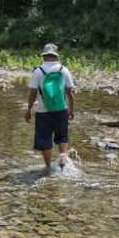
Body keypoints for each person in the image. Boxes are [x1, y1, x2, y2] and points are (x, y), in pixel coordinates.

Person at [25, 43, 75, 171]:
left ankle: (48, 167)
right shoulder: (63, 70)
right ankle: (63, 157)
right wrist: (71, 110)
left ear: (44, 56)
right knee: (62, 136)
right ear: (56, 56)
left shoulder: (38, 71)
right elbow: (70, 92)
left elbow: (32, 93)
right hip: (61, 109)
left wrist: (29, 110)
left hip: (43, 111)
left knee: (44, 139)